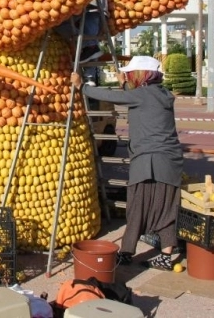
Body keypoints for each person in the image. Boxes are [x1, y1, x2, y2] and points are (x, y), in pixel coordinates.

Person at [71, 55, 183, 271]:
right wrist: (123, 84)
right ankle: (166, 256)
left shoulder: (141, 95)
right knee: (167, 207)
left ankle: (126, 252)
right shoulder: (160, 94)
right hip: (170, 159)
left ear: (140, 75)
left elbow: (110, 96)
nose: (127, 77)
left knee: (136, 205)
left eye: (130, 74)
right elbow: (133, 97)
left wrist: (81, 86)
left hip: (149, 158)